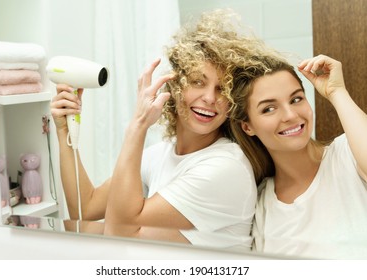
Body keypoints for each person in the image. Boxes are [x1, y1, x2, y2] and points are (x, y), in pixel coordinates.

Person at [50, 9, 258, 250]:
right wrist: (64, 129)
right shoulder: (160, 154)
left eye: (222, 89)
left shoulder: (225, 167)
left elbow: (119, 236)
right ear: (175, 85)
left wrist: (138, 124)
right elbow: (85, 208)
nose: (210, 98)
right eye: (198, 82)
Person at [230, 52, 367, 259]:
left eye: (296, 99)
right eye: (269, 109)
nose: (291, 115)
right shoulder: (261, 205)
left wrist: (337, 92)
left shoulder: (347, 154)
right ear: (247, 127)